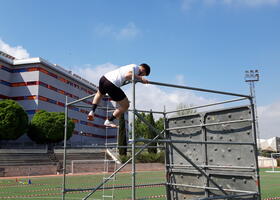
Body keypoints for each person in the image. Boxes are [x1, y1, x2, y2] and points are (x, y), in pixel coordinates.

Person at [87, 63, 151, 128]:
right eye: (144, 74)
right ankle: (109, 120)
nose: (141, 75)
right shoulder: (137, 68)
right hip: (112, 84)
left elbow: (127, 77)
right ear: (143, 70)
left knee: (99, 94)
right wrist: (141, 78)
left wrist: (138, 79)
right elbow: (127, 75)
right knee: (126, 105)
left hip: (104, 78)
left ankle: (92, 111)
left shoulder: (130, 67)